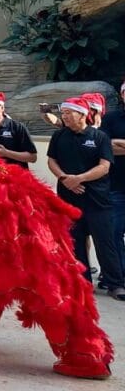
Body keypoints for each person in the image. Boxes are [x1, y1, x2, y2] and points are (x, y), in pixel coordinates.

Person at [48, 97, 125, 301]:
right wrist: (64, 179)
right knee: (75, 242)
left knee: (105, 243)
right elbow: (51, 160)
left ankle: (115, 283)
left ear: (82, 114)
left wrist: (79, 178)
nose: (64, 117)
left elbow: (105, 166)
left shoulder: (99, 137)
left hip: (98, 200)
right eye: (62, 113)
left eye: (68, 113)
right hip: (69, 199)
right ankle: (82, 283)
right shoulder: (58, 136)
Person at [102, 81, 125, 292]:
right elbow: (105, 146)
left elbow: (114, 145)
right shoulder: (110, 118)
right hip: (117, 186)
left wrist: (120, 143)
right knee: (115, 233)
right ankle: (120, 278)